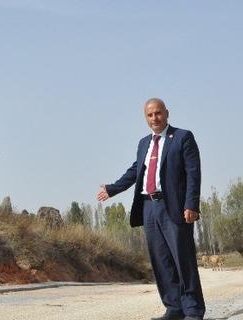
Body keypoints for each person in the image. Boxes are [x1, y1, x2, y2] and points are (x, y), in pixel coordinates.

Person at [97, 98, 205, 320]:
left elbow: (193, 173)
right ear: (145, 118)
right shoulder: (144, 143)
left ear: (167, 113)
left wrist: (191, 204)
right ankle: (174, 308)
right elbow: (136, 170)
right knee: (161, 260)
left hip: (173, 206)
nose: (154, 118)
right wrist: (112, 188)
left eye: (158, 113)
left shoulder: (183, 137)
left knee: (182, 258)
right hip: (149, 207)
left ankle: (193, 310)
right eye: (150, 115)